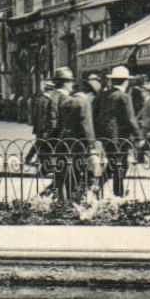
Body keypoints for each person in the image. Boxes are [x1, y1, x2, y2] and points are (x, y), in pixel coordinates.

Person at [95, 66, 143, 198]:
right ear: (126, 82)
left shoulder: (103, 95)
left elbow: (95, 114)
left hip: (106, 135)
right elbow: (131, 118)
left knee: (114, 163)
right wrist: (139, 136)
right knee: (120, 165)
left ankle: (98, 187)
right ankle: (117, 193)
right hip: (120, 137)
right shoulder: (124, 96)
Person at [52, 69, 96, 203]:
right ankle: (77, 201)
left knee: (67, 176)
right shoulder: (79, 102)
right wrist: (91, 144)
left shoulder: (65, 100)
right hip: (77, 145)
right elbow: (85, 125)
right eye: (70, 82)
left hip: (65, 143)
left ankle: (67, 200)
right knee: (83, 174)